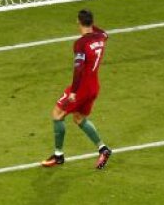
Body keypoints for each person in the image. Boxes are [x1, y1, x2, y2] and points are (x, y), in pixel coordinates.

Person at [41, 10, 113, 170]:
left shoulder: (80, 43)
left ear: (78, 22)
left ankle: (58, 155)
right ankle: (103, 149)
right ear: (92, 22)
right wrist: (90, 24)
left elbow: (78, 68)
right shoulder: (100, 37)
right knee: (79, 118)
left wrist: (73, 91)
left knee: (57, 114)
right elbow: (105, 33)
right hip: (94, 86)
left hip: (81, 88)